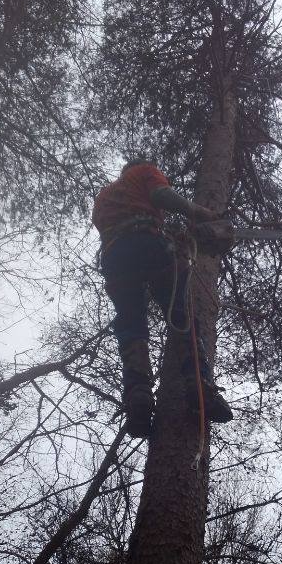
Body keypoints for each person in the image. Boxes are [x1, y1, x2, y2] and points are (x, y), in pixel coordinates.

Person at [93, 158, 233, 437]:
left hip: (114, 257)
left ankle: (138, 395)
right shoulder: (145, 171)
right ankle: (200, 386)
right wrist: (199, 213)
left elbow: (121, 225)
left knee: (131, 325)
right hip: (146, 243)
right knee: (180, 314)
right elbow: (161, 195)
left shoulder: (104, 196)